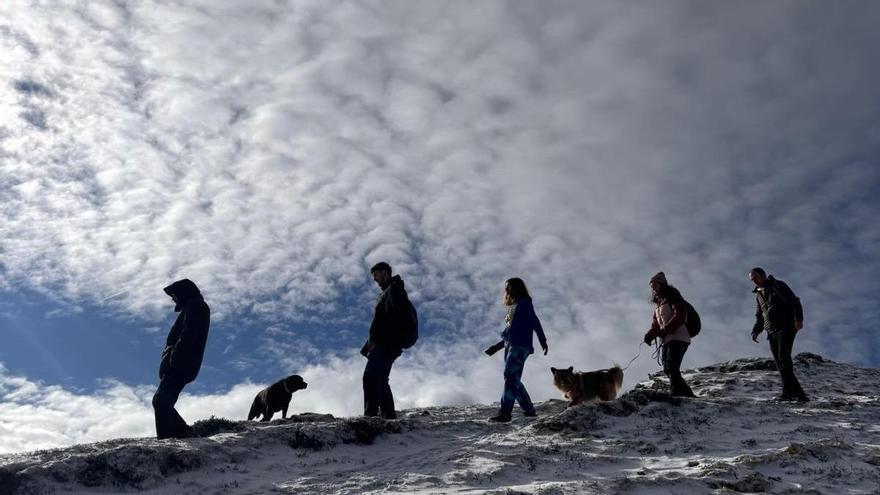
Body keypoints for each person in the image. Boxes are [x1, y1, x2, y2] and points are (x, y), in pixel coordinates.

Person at [153, 279, 210, 439]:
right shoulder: (192, 306)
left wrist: (173, 361)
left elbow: (187, 335)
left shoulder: (195, 306)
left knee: (161, 401)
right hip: (179, 364)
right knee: (159, 400)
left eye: (174, 295)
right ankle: (183, 432)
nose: (173, 299)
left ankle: (170, 438)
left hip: (181, 364)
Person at [486, 277, 548, 423]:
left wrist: (542, 339)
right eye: (506, 286)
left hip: (521, 346)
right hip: (510, 345)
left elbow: (534, 321)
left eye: (509, 286)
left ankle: (505, 413)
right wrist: (496, 347)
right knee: (513, 379)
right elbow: (510, 334)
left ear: (516, 287)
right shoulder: (512, 308)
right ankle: (529, 411)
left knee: (510, 376)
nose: (507, 289)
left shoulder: (525, 302)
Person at [748, 267, 809, 403]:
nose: (755, 282)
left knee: (784, 358)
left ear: (763, 275)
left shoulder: (778, 285)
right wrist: (756, 331)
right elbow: (760, 316)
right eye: (752, 280)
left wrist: (798, 319)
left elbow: (795, 301)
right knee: (780, 363)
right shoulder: (758, 296)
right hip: (771, 331)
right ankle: (795, 394)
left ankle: (793, 393)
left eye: (756, 278)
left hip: (786, 327)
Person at [360, 262, 411, 419]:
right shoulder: (387, 292)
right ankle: (388, 417)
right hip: (384, 343)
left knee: (370, 377)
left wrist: (387, 341)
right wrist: (368, 344)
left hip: (386, 343)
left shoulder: (395, 289)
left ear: (384, 272)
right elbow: (381, 322)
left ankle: (371, 417)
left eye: (376, 274)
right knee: (380, 379)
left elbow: (395, 318)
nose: (374, 279)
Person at [643, 272, 696, 398]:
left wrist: (665, 330)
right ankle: (687, 394)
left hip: (679, 337)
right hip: (667, 339)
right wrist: (649, 335)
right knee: (668, 369)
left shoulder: (673, 296)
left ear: (661, 284)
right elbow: (656, 325)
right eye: (651, 286)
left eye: (655, 284)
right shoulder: (659, 305)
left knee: (672, 367)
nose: (653, 288)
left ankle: (676, 393)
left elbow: (680, 315)